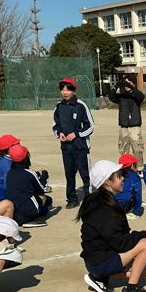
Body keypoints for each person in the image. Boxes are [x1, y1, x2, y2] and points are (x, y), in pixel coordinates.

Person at [79, 160, 146, 292]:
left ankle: (100, 278)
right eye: (119, 176)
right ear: (107, 182)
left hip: (95, 261)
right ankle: (131, 290)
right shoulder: (105, 208)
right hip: (100, 261)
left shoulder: (97, 201)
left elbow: (117, 236)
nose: (123, 179)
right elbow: (120, 243)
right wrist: (141, 234)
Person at [53, 77, 94, 209]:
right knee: (69, 175)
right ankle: (72, 199)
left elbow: (90, 126)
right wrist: (59, 133)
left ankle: (89, 200)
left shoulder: (81, 105)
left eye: (68, 89)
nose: (65, 92)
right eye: (62, 89)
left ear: (74, 90)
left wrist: (76, 134)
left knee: (85, 175)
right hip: (66, 148)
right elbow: (55, 125)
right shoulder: (59, 106)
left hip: (81, 147)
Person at [5, 144, 53, 228]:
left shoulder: (10, 172)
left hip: (14, 209)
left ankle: (26, 216)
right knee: (46, 198)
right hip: (27, 210)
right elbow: (42, 188)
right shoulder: (30, 174)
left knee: (43, 202)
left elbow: (24, 176)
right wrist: (44, 175)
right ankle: (28, 219)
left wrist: (37, 173)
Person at [108, 75, 146, 169]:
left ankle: (139, 168)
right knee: (124, 150)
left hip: (135, 126)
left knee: (137, 149)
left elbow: (141, 97)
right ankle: (126, 168)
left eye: (129, 83)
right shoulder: (121, 96)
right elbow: (111, 96)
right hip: (124, 126)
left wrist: (132, 88)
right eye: (125, 83)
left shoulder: (136, 95)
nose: (127, 85)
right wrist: (116, 85)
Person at [115, 153, 143, 219]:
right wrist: (137, 212)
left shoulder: (116, 174)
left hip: (115, 204)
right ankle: (132, 212)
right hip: (126, 204)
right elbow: (138, 195)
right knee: (134, 195)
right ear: (131, 165)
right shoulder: (135, 176)